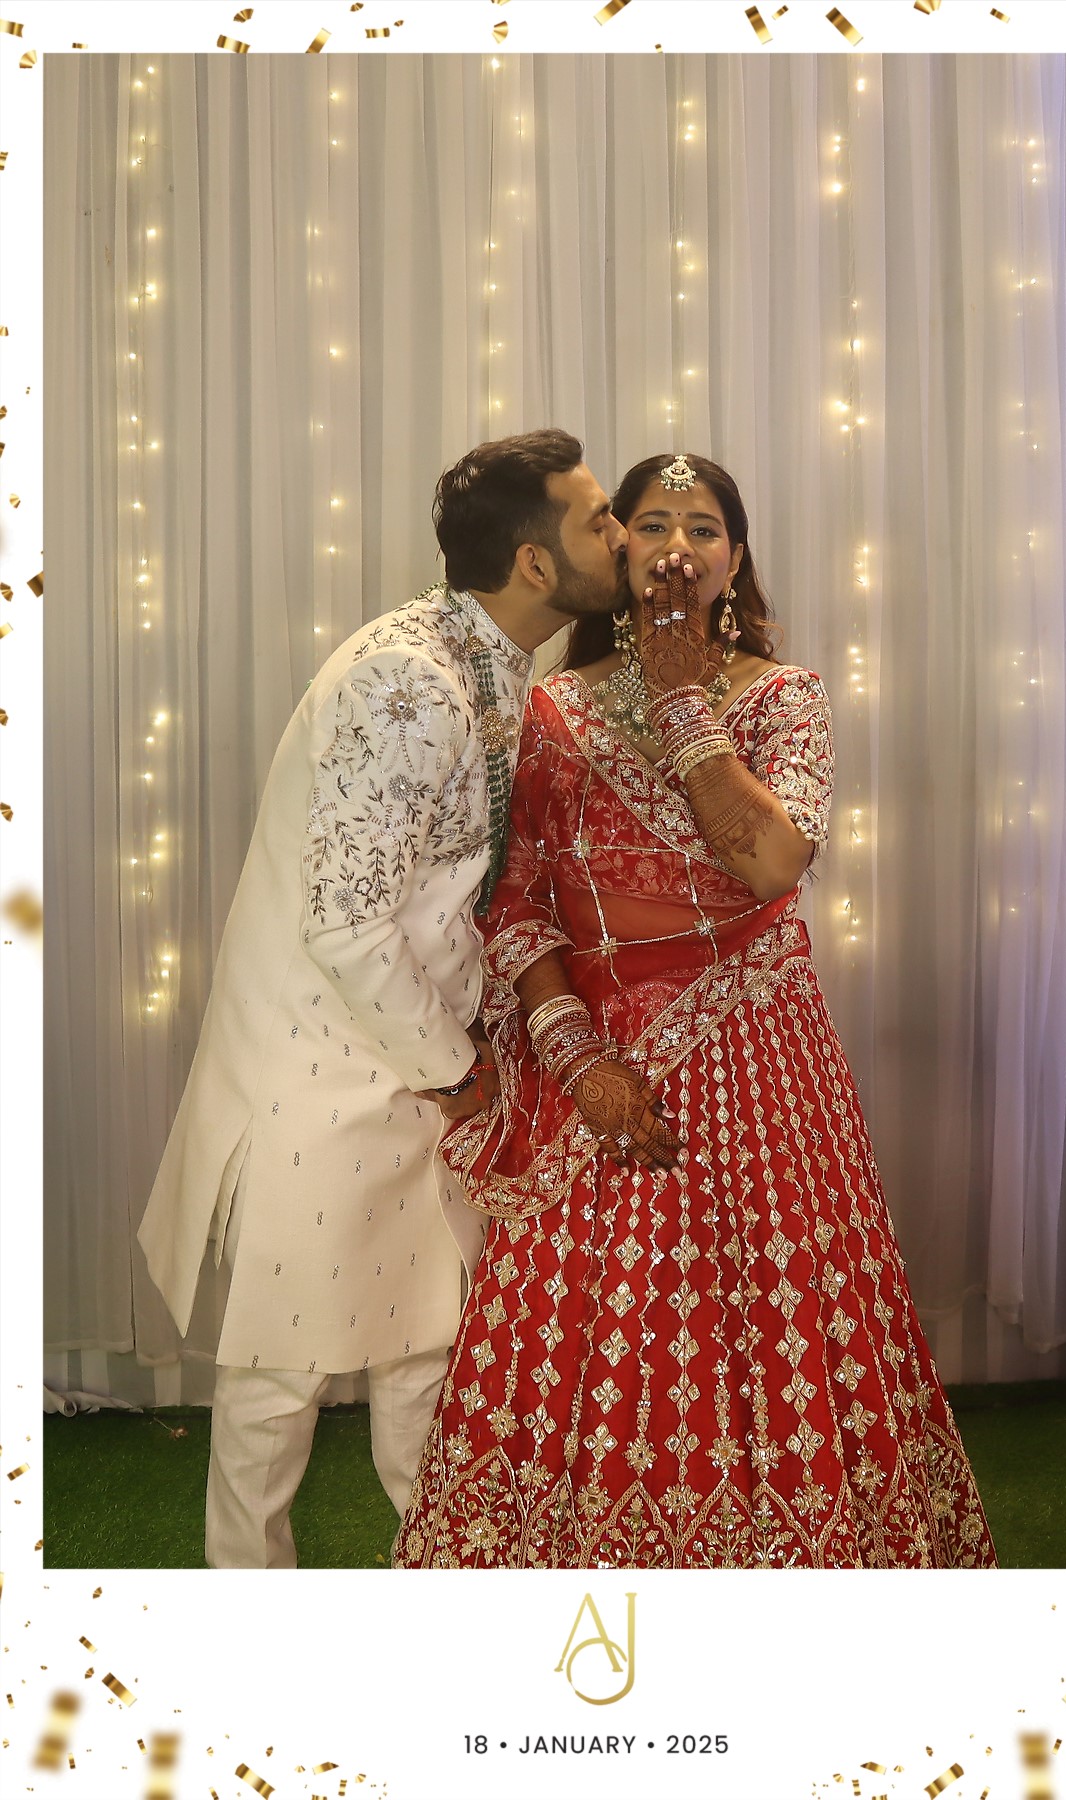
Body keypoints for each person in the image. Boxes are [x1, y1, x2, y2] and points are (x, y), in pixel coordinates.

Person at [395, 451, 997, 1569]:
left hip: (761, 1055)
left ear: (736, 557)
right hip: (602, 1061)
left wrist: (680, 698)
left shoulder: (785, 698)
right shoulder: (552, 710)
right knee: (593, 1335)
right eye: (654, 523)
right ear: (614, 546)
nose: (679, 546)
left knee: (773, 1326)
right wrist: (578, 1059)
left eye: (706, 527)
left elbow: (771, 862)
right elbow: (516, 903)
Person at [137, 428, 629, 1567]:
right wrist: (457, 1070)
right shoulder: (408, 678)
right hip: (324, 1067)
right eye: (598, 516)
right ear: (537, 564)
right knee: (281, 1375)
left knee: (429, 1346)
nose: (619, 533)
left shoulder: (494, 668)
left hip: (418, 1061)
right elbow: (347, 919)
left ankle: (441, 1597)